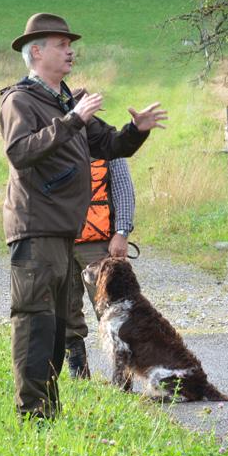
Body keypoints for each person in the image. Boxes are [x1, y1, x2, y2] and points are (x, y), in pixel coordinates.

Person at [0, 12, 167, 420]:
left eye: (69, 44)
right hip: (35, 229)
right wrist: (72, 119)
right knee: (35, 324)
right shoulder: (19, 100)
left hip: (63, 231)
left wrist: (136, 128)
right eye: (60, 44)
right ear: (36, 52)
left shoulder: (66, 100)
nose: (70, 50)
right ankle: (33, 415)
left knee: (57, 327)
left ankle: (48, 413)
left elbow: (110, 145)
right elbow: (20, 151)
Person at [64, 156, 135, 379]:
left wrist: (122, 232)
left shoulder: (106, 142)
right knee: (65, 309)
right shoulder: (52, 137)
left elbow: (124, 189)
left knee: (113, 310)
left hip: (100, 243)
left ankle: (123, 378)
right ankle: (79, 374)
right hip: (60, 241)